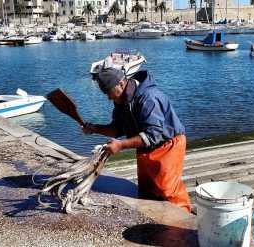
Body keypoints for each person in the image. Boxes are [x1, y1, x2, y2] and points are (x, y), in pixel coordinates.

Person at [82, 68, 192, 213]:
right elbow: (116, 129)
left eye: (109, 92)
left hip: (168, 145)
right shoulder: (121, 100)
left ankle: (183, 223)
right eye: (105, 93)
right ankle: (156, 220)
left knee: (168, 190)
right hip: (146, 145)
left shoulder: (149, 97)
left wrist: (120, 145)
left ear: (121, 84)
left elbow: (153, 135)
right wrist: (95, 128)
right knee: (148, 189)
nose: (109, 98)